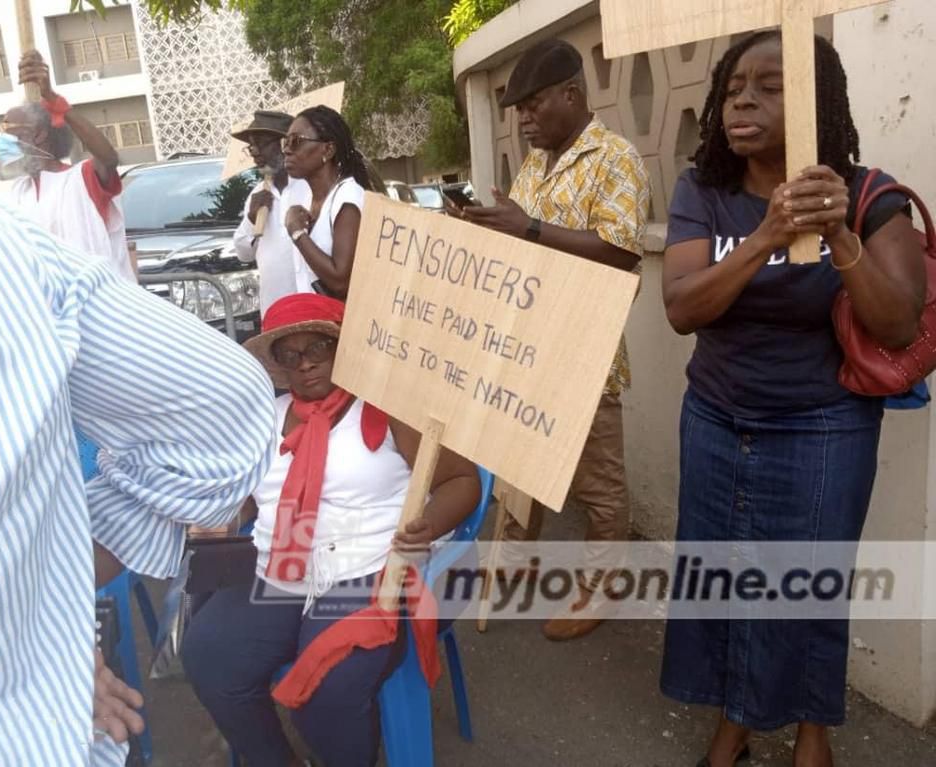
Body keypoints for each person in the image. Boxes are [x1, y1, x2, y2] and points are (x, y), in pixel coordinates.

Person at [0, 189, 277, 765]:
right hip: (40, 730)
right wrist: (44, 605)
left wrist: (48, 601)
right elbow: (225, 411)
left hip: (43, 719)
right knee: (213, 652)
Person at [658, 32, 924, 767]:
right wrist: (767, 233)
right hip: (715, 415)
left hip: (823, 426)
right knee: (725, 574)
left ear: (815, 102)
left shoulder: (865, 194)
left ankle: (813, 734)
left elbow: (897, 320)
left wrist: (835, 230)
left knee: (806, 589)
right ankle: (736, 724)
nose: (743, 97)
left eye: (770, 85)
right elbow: (681, 307)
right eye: (734, 85)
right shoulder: (703, 191)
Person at [181, 293, 481, 767]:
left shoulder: (386, 409)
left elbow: (462, 483)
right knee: (208, 657)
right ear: (278, 363)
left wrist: (427, 526)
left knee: (327, 692)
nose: (306, 365)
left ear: (342, 347)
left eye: (318, 348)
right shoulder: (265, 417)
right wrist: (215, 516)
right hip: (278, 568)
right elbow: (242, 498)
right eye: (291, 355)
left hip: (365, 570)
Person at [460, 38, 650, 641]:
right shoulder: (535, 165)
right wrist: (487, 227)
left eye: (532, 105)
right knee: (520, 464)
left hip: (583, 352)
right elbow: (522, 240)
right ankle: (512, 565)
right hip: (528, 346)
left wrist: (531, 227)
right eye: (517, 110)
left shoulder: (615, 159)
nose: (523, 119)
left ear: (572, 94)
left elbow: (621, 252)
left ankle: (599, 588)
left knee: (599, 484)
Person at [0, 50, 133, 282]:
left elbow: (109, 159)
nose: (1, 139)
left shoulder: (82, 178)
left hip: (102, 306)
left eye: (9, 129)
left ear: (39, 134)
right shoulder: (18, 192)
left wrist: (53, 99)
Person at [281, 106, 372, 299]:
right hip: (317, 321)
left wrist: (298, 234)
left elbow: (341, 281)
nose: (287, 150)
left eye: (296, 141)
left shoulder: (347, 198)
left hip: (343, 326)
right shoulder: (309, 199)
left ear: (328, 149)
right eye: (285, 142)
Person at [231, 110, 312, 314]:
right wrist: (251, 219)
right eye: (251, 146)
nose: (255, 152)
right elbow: (243, 253)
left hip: (312, 305)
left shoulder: (311, 187)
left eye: (261, 143)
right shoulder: (256, 194)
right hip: (275, 309)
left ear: (285, 144)